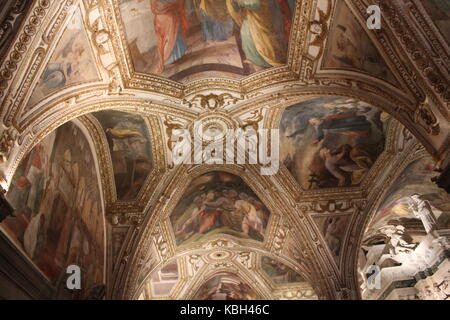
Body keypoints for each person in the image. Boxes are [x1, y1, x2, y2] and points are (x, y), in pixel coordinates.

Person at [226, 0, 288, 68]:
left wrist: (240, 3)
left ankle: (265, 61)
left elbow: (256, 4)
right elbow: (238, 9)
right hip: (251, 17)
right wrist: (234, 4)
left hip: (262, 17)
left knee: (261, 40)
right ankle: (254, 59)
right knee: (245, 34)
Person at [150, 0, 189, 72]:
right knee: (168, 37)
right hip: (166, 17)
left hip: (163, 17)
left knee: (166, 38)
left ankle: (175, 56)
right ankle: (169, 58)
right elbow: (158, 6)